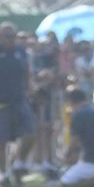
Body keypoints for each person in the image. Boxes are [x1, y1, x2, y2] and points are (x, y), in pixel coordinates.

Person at [0, 22, 34, 187]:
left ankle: (18, 163)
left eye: (13, 36)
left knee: (30, 133)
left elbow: (26, 71)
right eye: (7, 36)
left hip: (19, 99)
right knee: (1, 141)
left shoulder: (20, 52)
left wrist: (30, 89)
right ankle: (4, 174)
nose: (10, 40)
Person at [32, 31, 62, 178]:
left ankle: (49, 158)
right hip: (38, 100)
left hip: (48, 98)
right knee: (41, 129)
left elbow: (56, 79)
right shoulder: (36, 58)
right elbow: (34, 77)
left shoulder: (52, 60)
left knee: (49, 129)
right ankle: (41, 159)